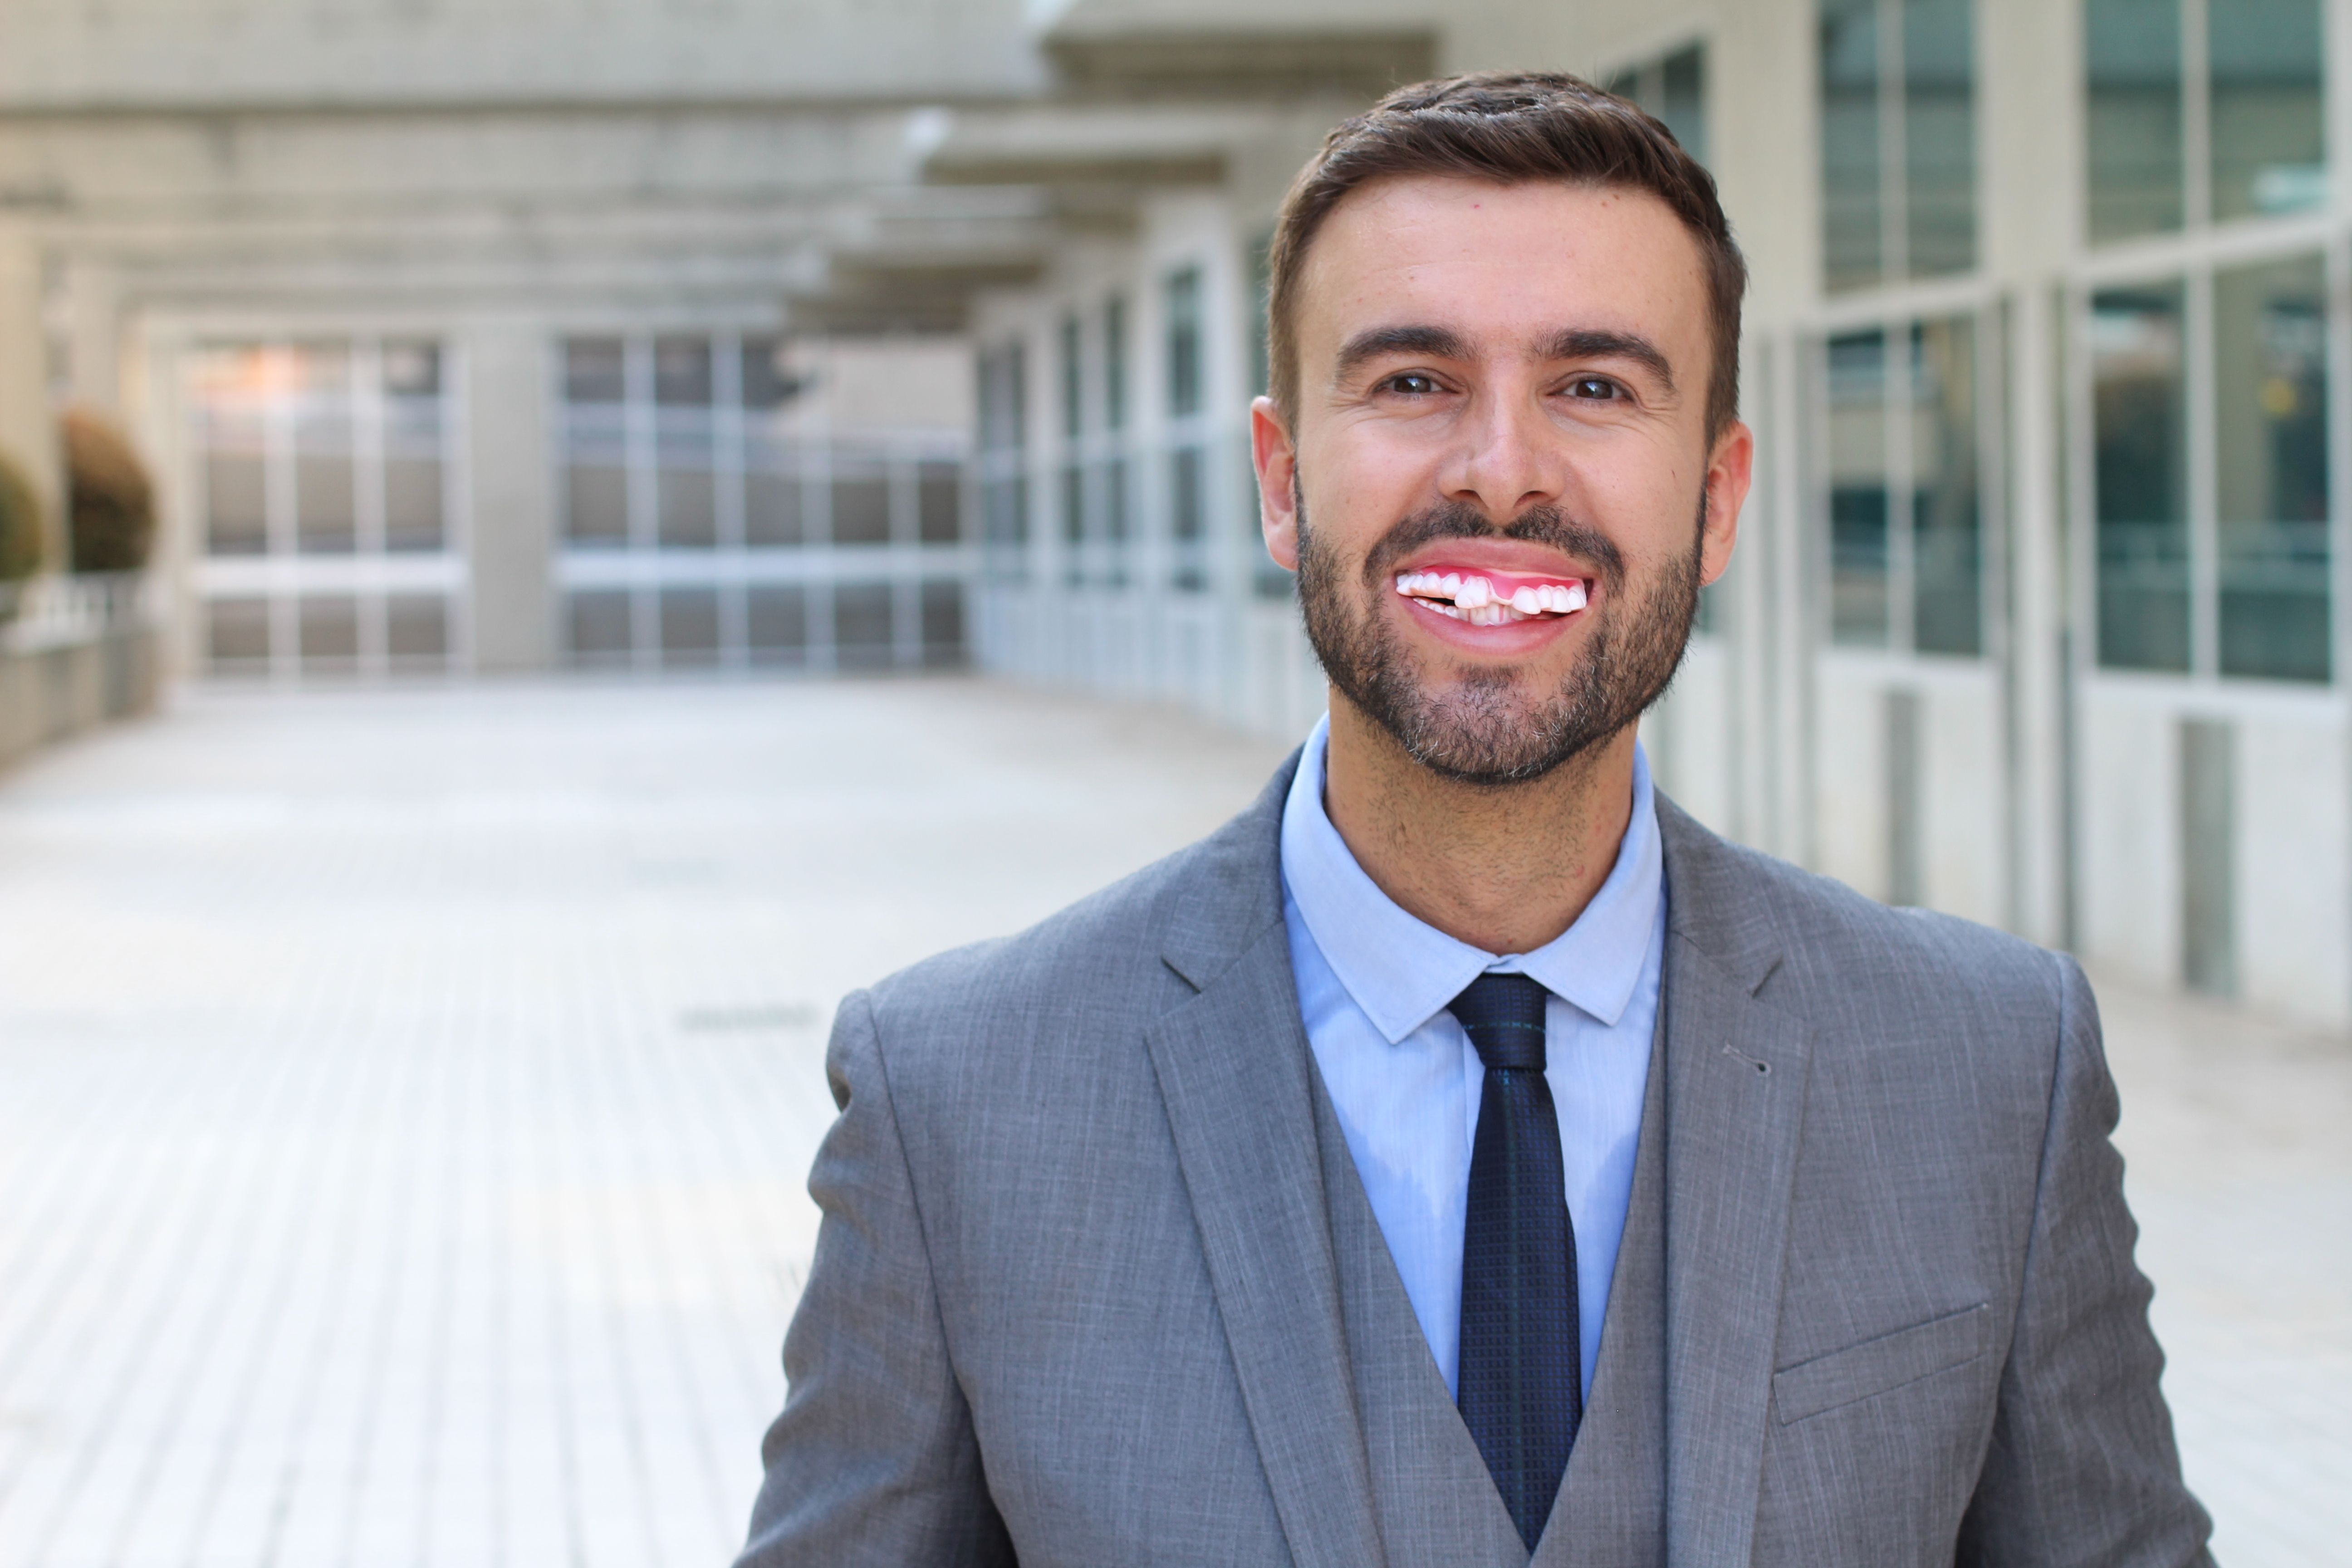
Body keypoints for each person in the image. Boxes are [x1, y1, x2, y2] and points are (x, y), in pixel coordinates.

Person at [736, 73, 2213, 1567]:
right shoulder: (958, 1102)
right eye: (1412, 381)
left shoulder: (1992, 1071)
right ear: (1281, 480)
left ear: (1716, 500)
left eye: (1595, 388)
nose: (1501, 470)